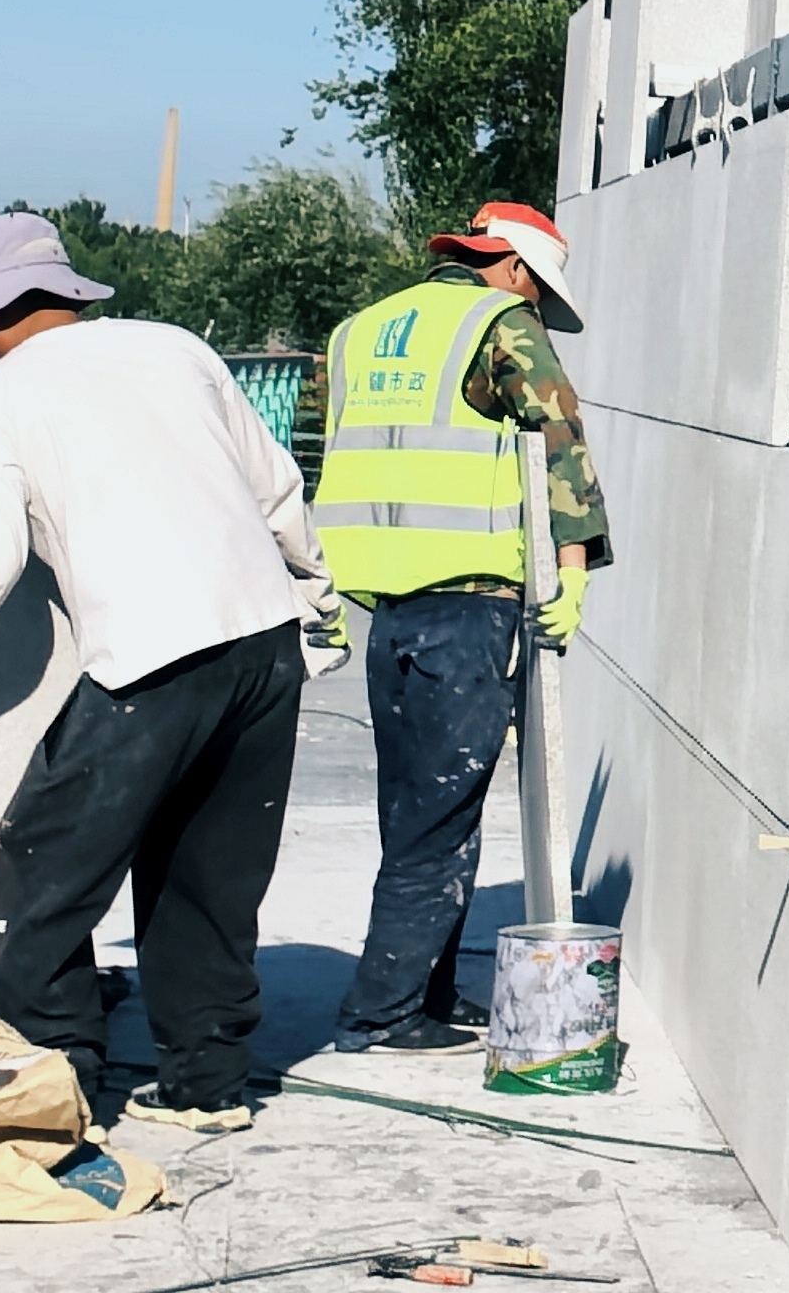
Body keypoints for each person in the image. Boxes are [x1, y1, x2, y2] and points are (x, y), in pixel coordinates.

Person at [0, 212, 336, 1136]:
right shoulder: (176, 348)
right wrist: (317, 591)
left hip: (151, 658)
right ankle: (207, 1088)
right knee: (205, 874)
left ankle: (51, 1090)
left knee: (38, 877)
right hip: (264, 638)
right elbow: (276, 488)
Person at [313, 197, 607, 1053]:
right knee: (442, 818)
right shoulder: (501, 324)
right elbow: (560, 443)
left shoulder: (359, 332)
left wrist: (316, 595)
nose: (536, 305)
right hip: (469, 601)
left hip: (384, 606)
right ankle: (384, 1011)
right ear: (513, 267)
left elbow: (313, 456)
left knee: (414, 808)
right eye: (537, 288)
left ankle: (424, 991)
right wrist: (575, 570)